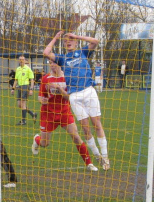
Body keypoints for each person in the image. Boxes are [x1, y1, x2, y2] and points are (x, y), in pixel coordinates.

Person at [43, 31, 110, 171]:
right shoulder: (62, 58)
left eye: (71, 40)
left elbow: (96, 41)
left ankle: (105, 156)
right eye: (66, 40)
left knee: (96, 123)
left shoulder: (83, 52)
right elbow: (46, 52)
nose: (68, 42)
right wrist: (55, 37)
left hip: (88, 91)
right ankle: (98, 156)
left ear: (76, 42)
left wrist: (78, 36)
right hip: (74, 96)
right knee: (85, 128)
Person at [31, 61, 98, 171]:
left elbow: (70, 98)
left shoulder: (68, 78)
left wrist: (59, 88)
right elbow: (40, 96)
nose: (52, 65)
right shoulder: (45, 79)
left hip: (64, 112)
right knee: (45, 143)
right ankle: (37, 140)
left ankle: (89, 163)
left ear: (60, 64)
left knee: (76, 137)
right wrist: (42, 100)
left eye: (55, 63)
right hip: (48, 114)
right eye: (51, 63)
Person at [10, 55, 37, 125]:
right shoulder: (18, 69)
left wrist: (31, 89)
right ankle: (32, 114)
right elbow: (16, 80)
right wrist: (13, 88)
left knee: (23, 103)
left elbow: (32, 80)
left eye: (22, 59)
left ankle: (23, 121)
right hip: (19, 87)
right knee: (19, 105)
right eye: (20, 59)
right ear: (19, 61)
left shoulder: (28, 69)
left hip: (25, 87)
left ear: (25, 61)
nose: (21, 61)